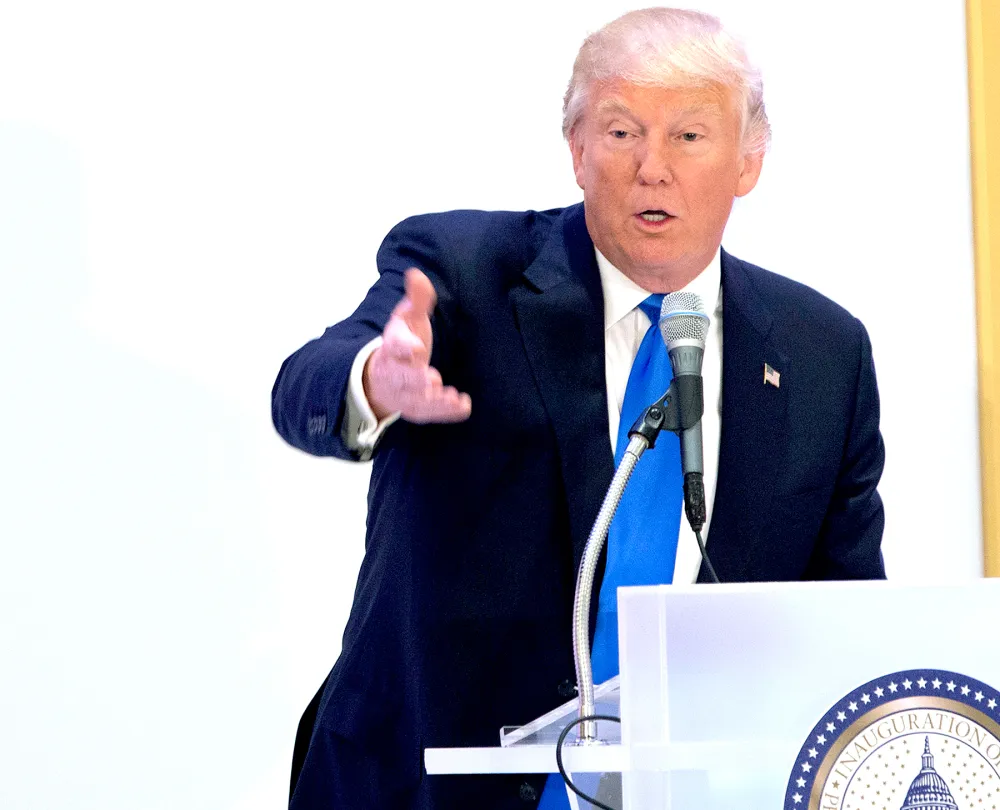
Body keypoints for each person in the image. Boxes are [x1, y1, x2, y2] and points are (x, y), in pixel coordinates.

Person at [271, 7, 885, 809]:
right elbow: (303, 384)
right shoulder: (464, 274)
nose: (652, 168)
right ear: (577, 151)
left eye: (690, 136)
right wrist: (372, 382)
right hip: (427, 785)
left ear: (749, 160)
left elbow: (848, 623)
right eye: (623, 132)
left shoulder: (821, 353)